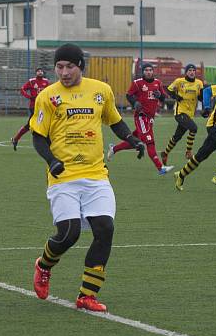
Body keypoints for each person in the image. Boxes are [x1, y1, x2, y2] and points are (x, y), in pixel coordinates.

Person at [29, 43, 144, 313]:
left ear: (81, 66)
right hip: (64, 176)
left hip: (96, 175)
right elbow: (38, 135)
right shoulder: (47, 96)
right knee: (69, 234)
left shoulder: (100, 91)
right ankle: (44, 265)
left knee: (105, 230)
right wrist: (51, 160)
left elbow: (114, 120)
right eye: (59, 66)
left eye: (69, 66)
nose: (64, 72)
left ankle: (87, 295)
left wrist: (131, 138)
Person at [107, 63, 173, 175]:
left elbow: (163, 98)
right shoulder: (137, 83)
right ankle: (160, 168)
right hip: (141, 117)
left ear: (153, 71)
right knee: (150, 142)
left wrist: (160, 96)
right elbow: (129, 95)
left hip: (150, 118)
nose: (148, 72)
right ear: (143, 72)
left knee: (136, 140)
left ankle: (114, 149)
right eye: (146, 70)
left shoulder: (158, 83)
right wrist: (134, 102)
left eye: (150, 70)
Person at [160, 63, 205, 164]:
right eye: (189, 70)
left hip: (189, 114)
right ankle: (188, 152)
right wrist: (176, 97)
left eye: (193, 70)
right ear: (186, 72)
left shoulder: (199, 83)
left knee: (177, 136)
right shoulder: (179, 81)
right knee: (193, 128)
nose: (192, 72)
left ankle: (165, 153)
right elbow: (168, 90)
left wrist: (206, 97)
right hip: (180, 113)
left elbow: (201, 97)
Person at [11, 67, 50, 150]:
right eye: (38, 71)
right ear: (36, 73)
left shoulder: (46, 82)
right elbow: (22, 89)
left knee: (46, 123)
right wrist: (29, 97)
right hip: (34, 106)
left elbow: (50, 93)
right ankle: (16, 139)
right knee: (30, 125)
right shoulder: (32, 81)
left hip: (43, 106)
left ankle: (47, 142)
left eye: (41, 71)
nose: (40, 72)